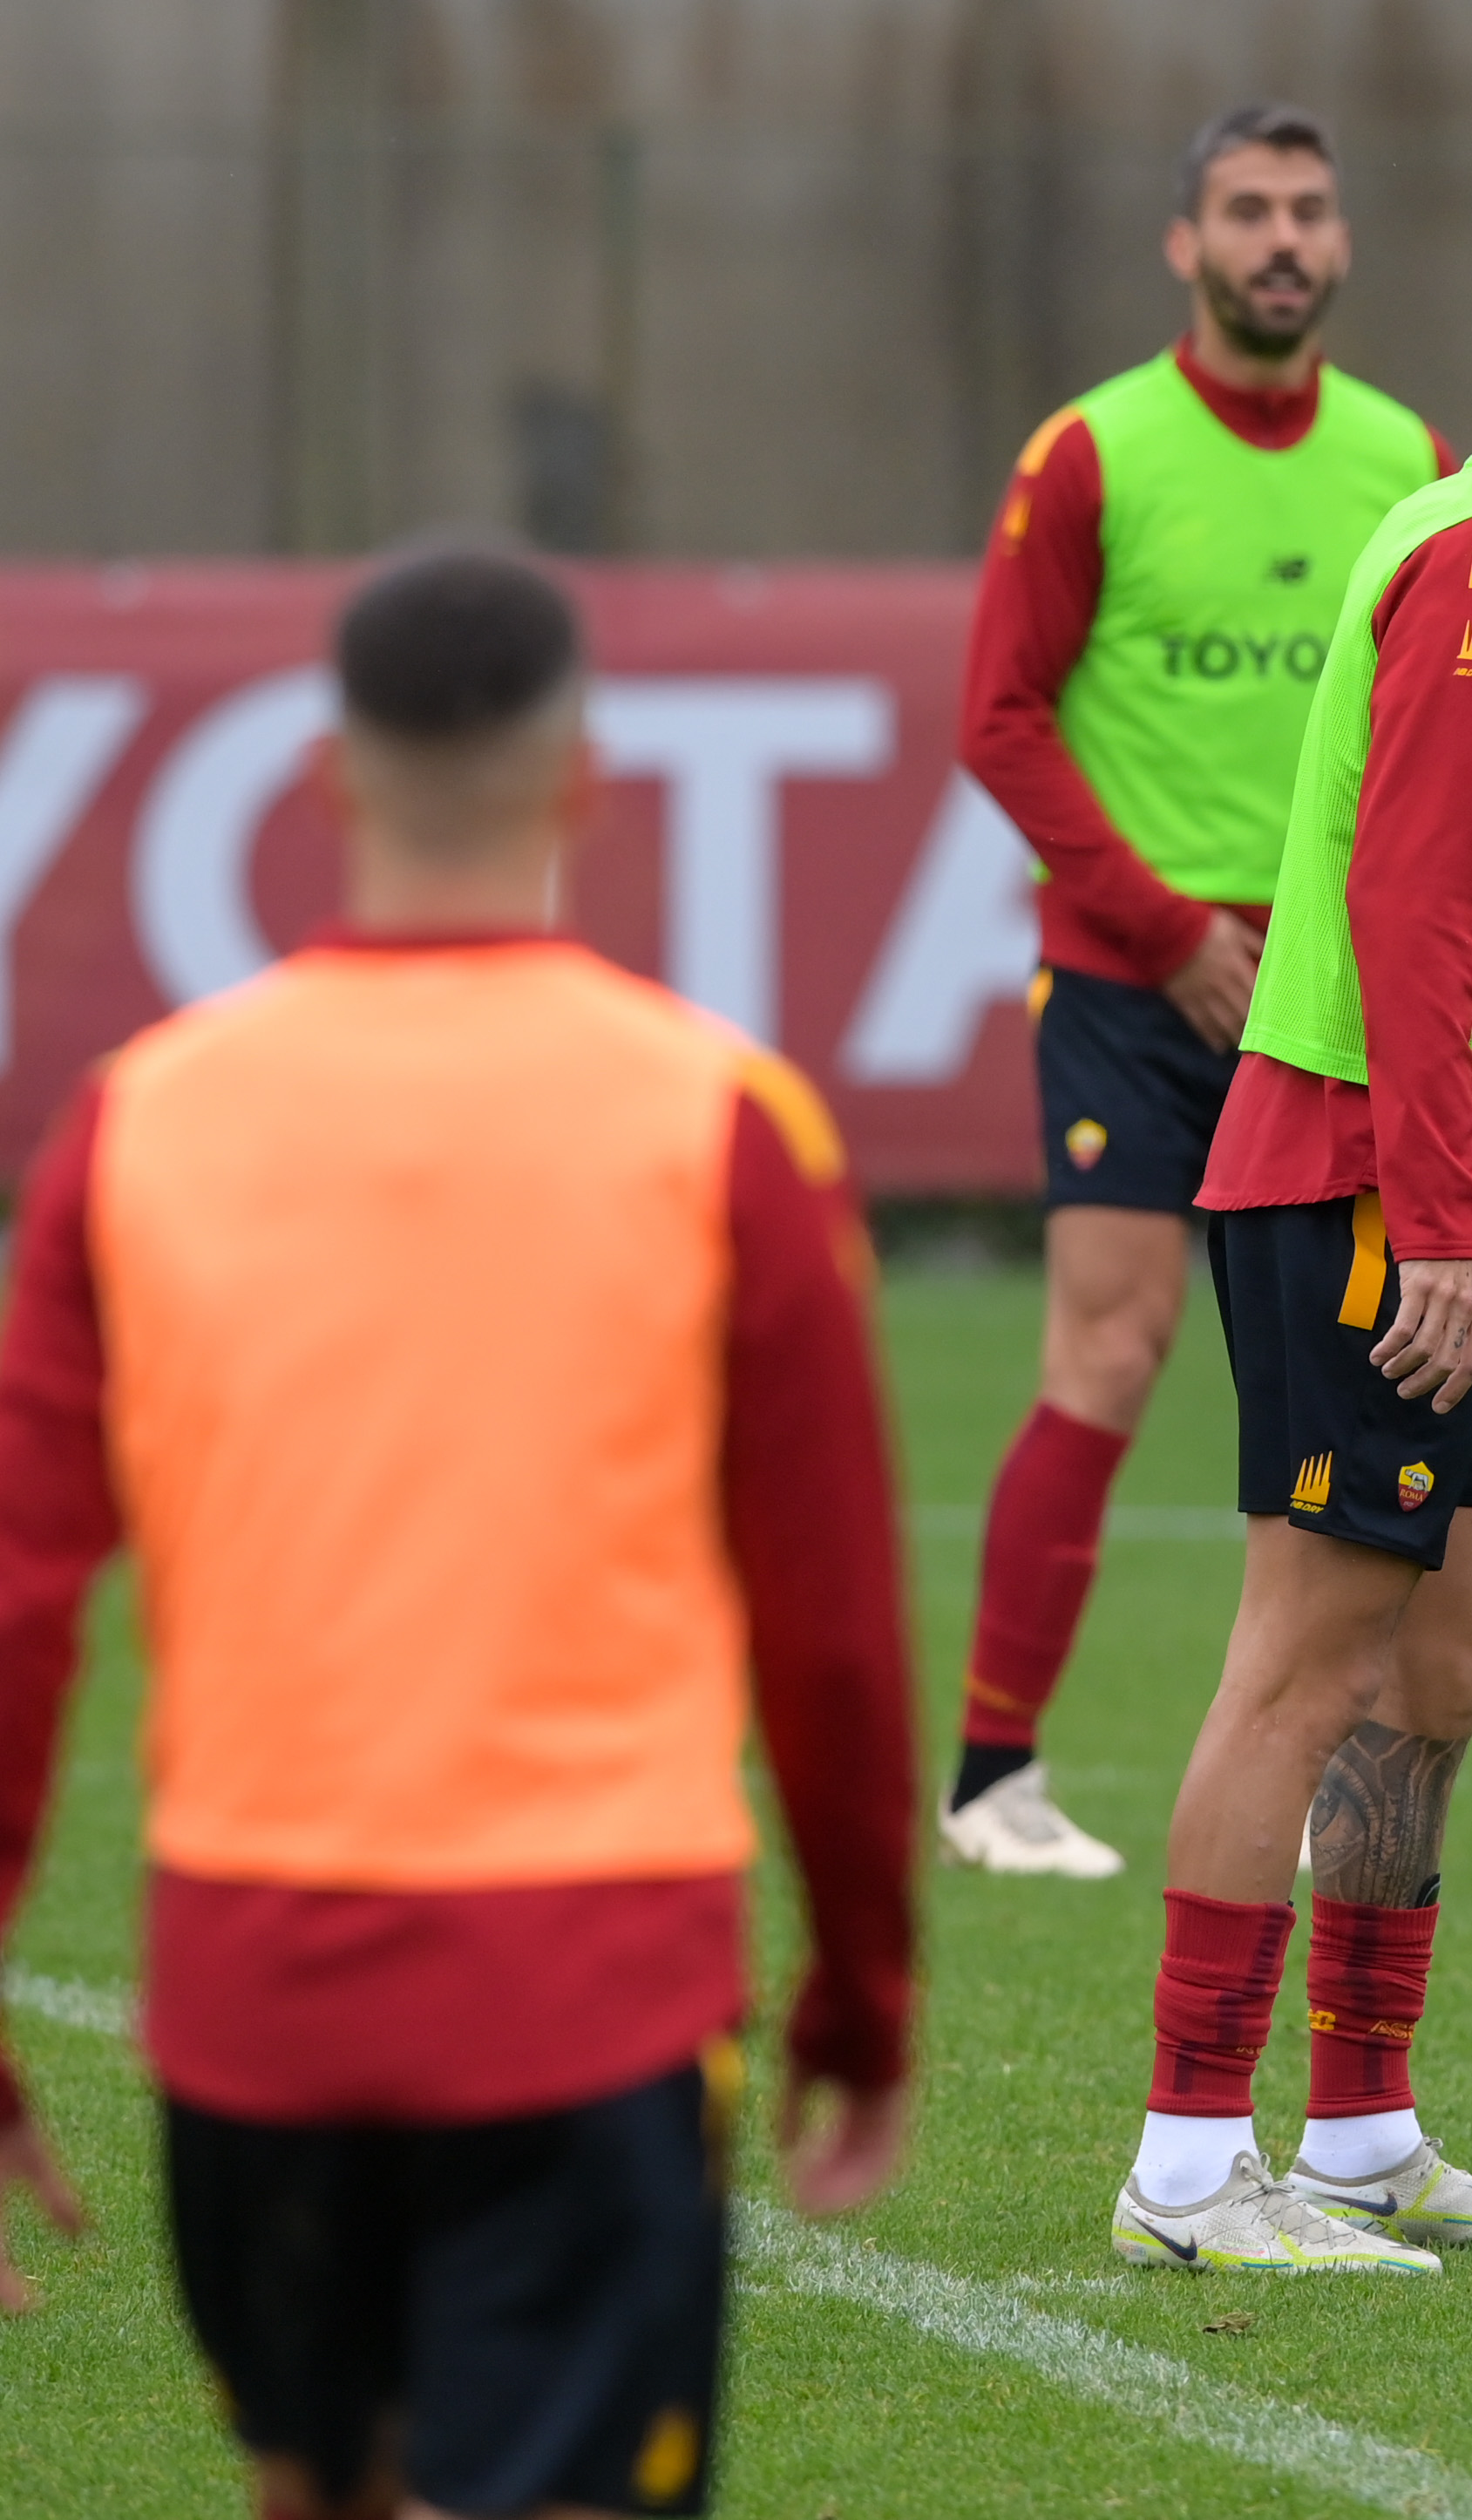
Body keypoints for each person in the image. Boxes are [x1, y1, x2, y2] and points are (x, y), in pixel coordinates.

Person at [0, 549, 919, 2516]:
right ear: (587, 777)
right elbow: (831, 1627)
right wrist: (865, 1982)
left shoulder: (134, 1120)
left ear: (328, 775)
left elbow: (15, 1607)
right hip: (589, 1988)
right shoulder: (719, 1120)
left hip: (256, 1989)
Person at [1104, 200, 1472, 2276]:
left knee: (1452, 1649)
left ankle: (1355, 2129)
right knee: (1308, 1659)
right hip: (1372, 1189)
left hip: (1423, 1181)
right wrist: (1443, 1219)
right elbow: (1405, 902)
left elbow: (1460, 870)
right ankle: (1189, 2165)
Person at [945, 103, 1453, 1878]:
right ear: (1186, 246)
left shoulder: (1407, 458)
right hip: (1127, 974)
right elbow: (995, 721)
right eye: (1247, 212)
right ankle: (992, 1777)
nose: (1281, 240)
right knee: (1109, 1342)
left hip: (1317, 992)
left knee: (1329, 1373)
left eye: (1308, 211)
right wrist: (1162, 935)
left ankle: (1324, 1758)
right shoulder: (1091, 453)